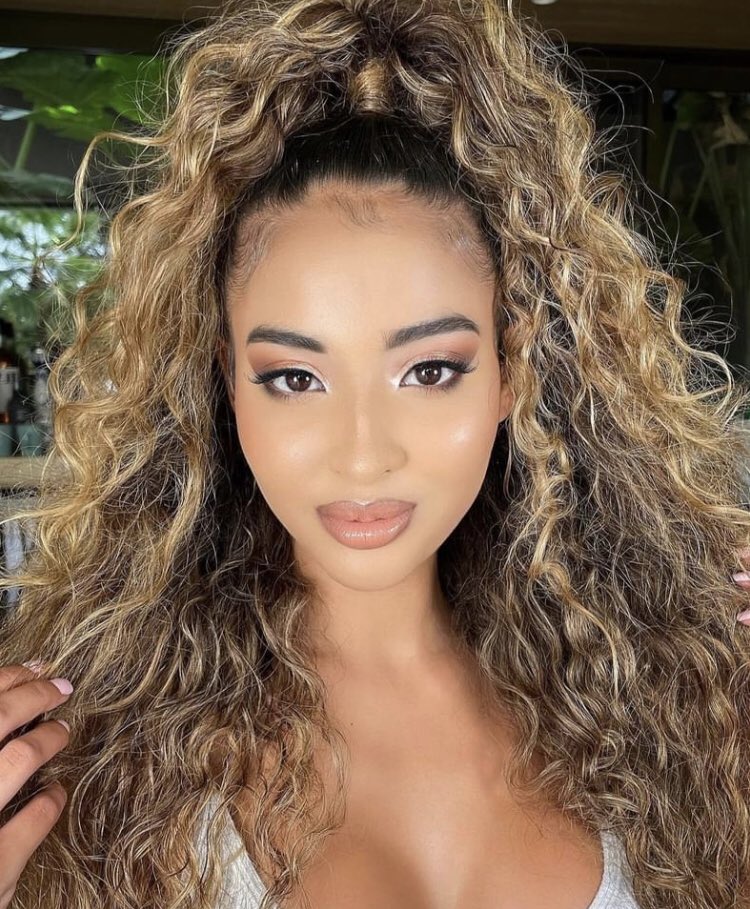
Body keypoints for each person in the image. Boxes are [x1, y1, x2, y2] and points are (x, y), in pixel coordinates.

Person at [1, 0, 750, 907]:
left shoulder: (680, 707)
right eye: (295, 378)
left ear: (512, 372)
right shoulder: (85, 753)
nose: (363, 457)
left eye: (429, 370)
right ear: (225, 382)